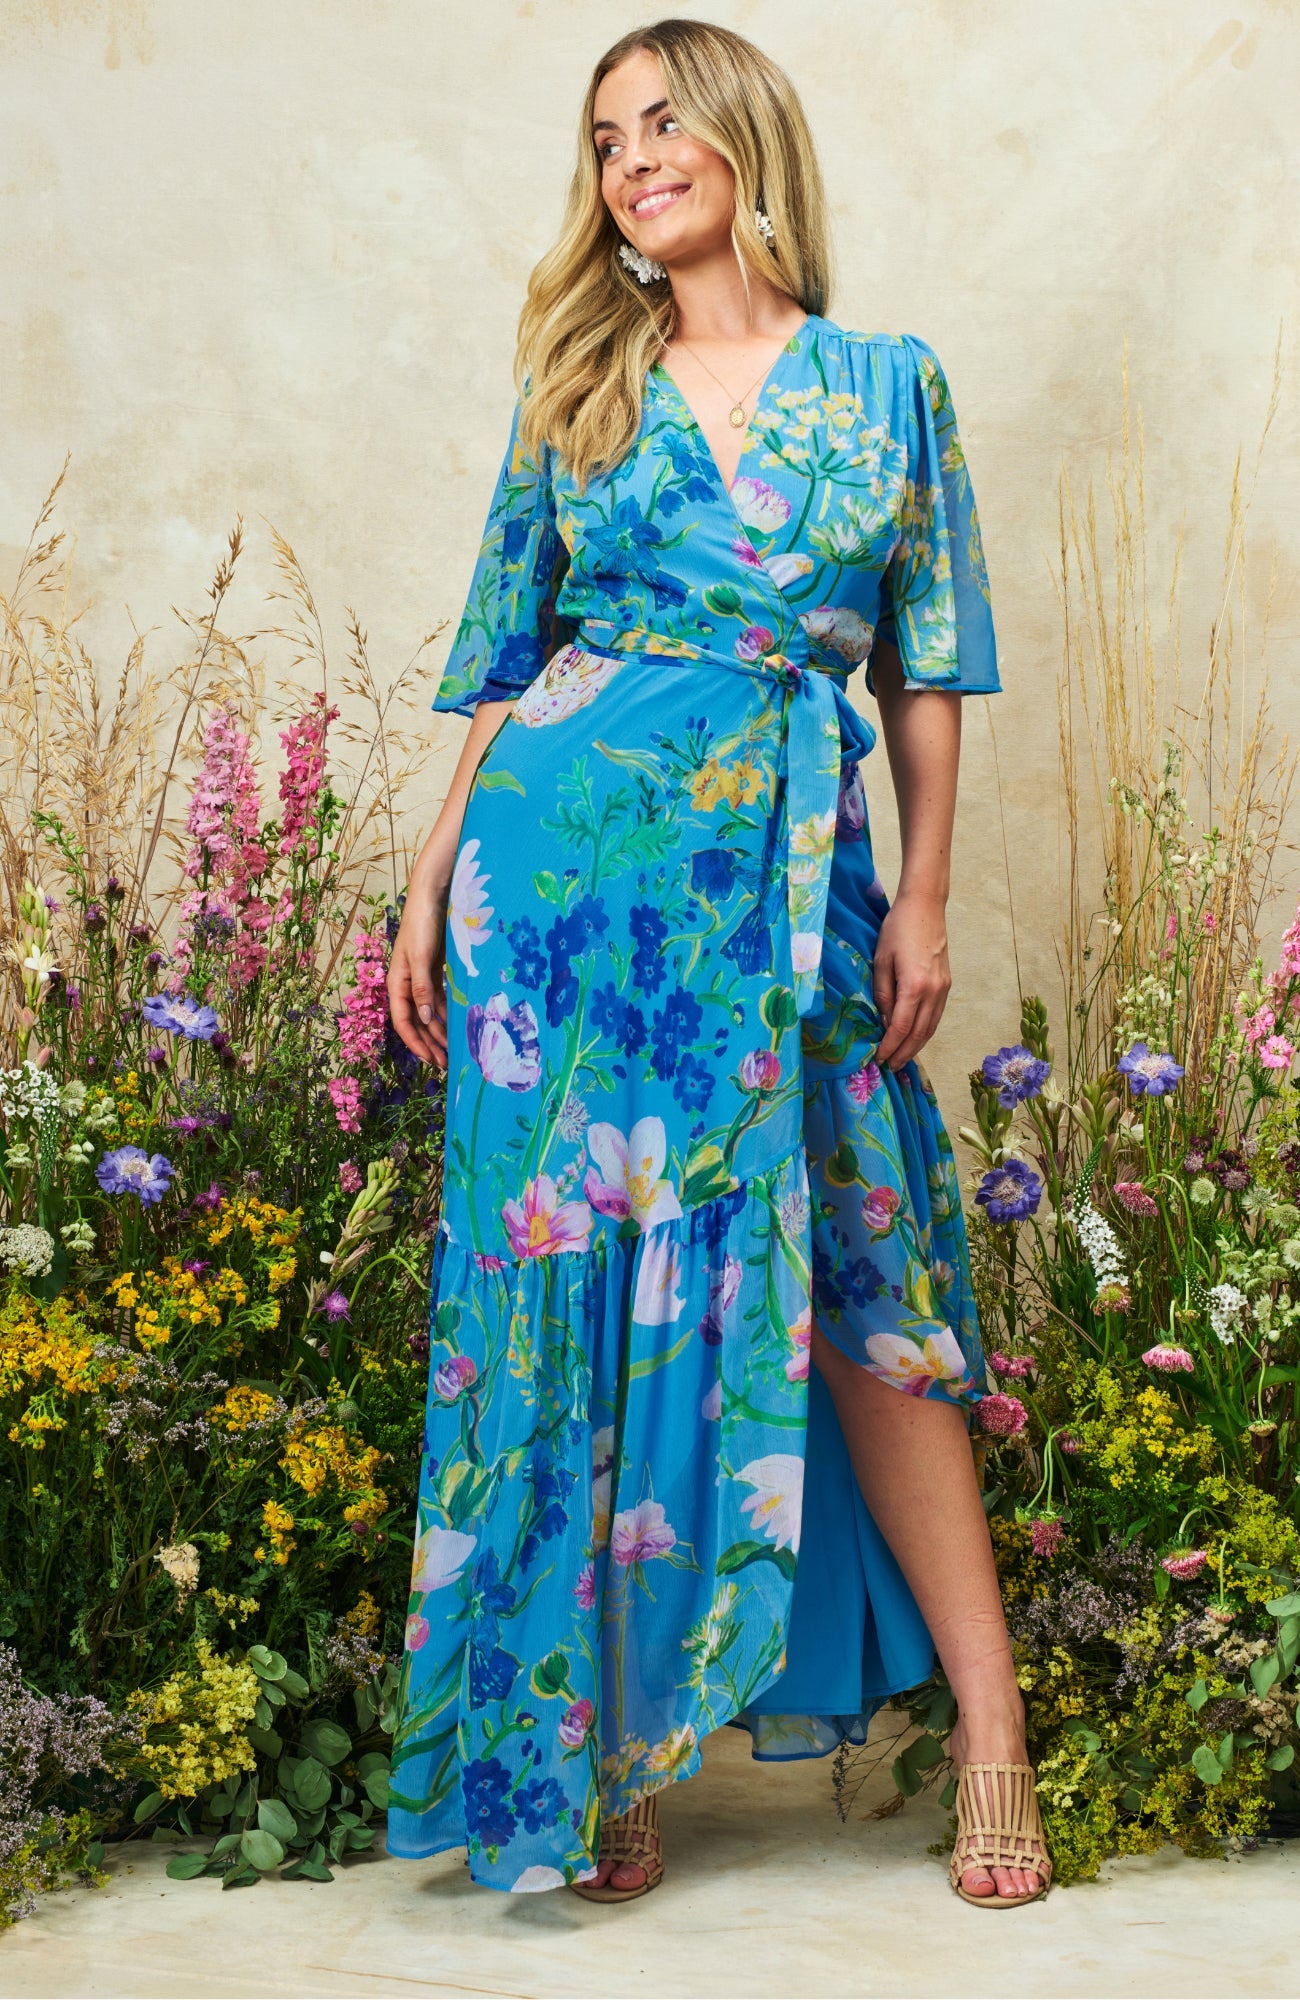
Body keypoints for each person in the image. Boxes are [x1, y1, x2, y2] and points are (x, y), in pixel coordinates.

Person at [385, 16, 1051, 1911]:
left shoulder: (887, 385)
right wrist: (431, 878)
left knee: (866, 1276)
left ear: (749, 139)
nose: (635, 160)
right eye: (606, 140)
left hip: (789, 874)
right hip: (561, 895)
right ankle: (599, 1744)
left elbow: (924, 664)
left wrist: (924, 897)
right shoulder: (581, 386)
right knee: (579, 1280)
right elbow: (506, 662)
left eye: (665, 121)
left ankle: (994, 1733)